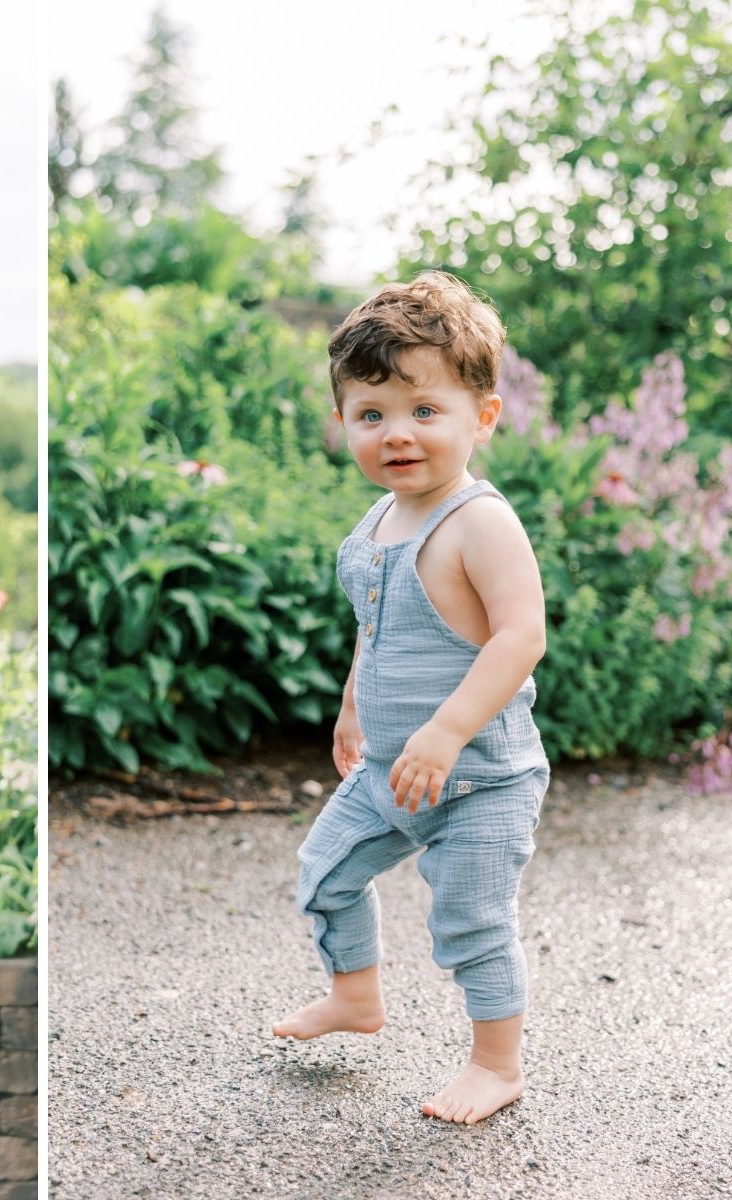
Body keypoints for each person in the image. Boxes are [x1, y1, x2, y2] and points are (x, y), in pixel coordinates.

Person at [271, 271, 549, 1126]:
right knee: (325, 873)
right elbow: (376, 627)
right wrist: (355, 705)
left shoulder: (480, 522)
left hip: (479, 782)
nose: (398, 434)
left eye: (425, 411)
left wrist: (448, 730)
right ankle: (356, 997)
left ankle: (496, 1064)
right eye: (372, 414)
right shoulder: (374, 524)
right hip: (392, 769)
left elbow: (519, 637)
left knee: (471, 919)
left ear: (482, 417)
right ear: (344, 423)